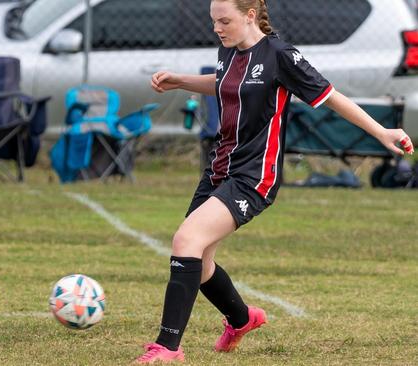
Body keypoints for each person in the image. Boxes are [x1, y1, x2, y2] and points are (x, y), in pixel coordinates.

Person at [137, 0, 414, 363]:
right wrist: (180, 81)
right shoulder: (228, 49)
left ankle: (167, 348)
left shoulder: (281, 56)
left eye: (224, 21)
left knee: (185, 240)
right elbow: (226, 82)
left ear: (250, 15)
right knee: (200, 261)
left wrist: (382, 132)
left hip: (255, 176)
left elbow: (331, 98)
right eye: (214, 22)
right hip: (219, 168)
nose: (217, 29)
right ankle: (241, 319)